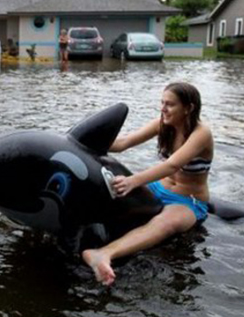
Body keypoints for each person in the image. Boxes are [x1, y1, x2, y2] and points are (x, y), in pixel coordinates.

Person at [82, 82, 213, 285]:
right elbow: (125, 142)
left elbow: (172, 165)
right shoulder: (163, 123)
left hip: (188, 200)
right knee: (111, 193)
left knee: (164, 224)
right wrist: (89, 141)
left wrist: (133, 181)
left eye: (170, 104)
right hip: (158, 188)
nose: (163, 109)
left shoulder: (201, 133)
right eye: (162, 103)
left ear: (188, 108)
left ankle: (103, 254)